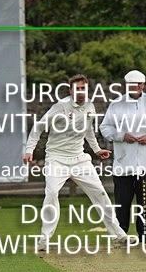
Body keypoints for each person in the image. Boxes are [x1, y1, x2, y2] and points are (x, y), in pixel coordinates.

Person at [24, 74, 127, 251]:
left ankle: (118, 235)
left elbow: (88, 131)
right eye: (77, 89)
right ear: (71, 90)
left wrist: (96, 150)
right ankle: (44, 240)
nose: (81, 92)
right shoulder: (60, 107)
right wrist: (29, 150)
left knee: (100, 193)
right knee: (51, 193)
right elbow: (38, 127)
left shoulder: (90, 106)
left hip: (79, 159)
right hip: (56, 159)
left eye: (83, 88)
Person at [99, 70, 146, 242]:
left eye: (138, 84)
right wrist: (122, 136)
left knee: (145, 205)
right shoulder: (116, 104)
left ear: (143, 84)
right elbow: (105, 128)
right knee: (122, 204)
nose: (135, 87)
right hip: (123, 164)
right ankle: (121, 237)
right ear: (126, 85)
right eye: (131, 84)